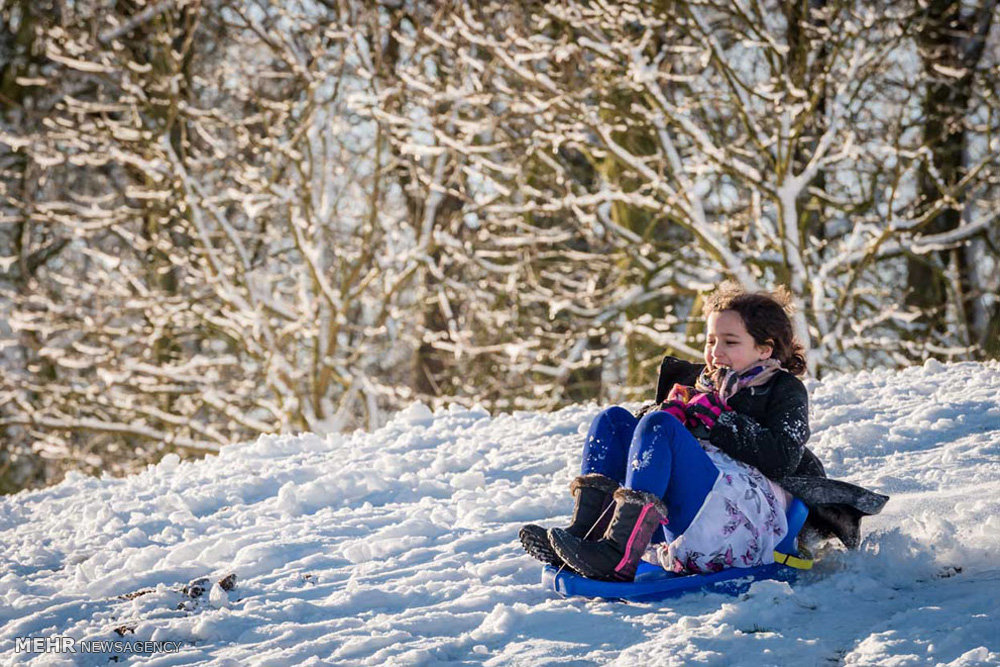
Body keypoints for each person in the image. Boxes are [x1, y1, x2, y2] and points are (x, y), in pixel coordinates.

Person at [519, 283, 888, 582]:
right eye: (711, 341)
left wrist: (718, 419)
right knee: (614, 420)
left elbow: (781, 458)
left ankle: (619, 555)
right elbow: (647, 435)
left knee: (659, 426)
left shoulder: (784, 390)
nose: (715, 352)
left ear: (764, 348)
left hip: (748, 512)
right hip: (703, 496)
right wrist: (671, 410)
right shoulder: (700, 381)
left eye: (730, 342)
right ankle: (587, 535)